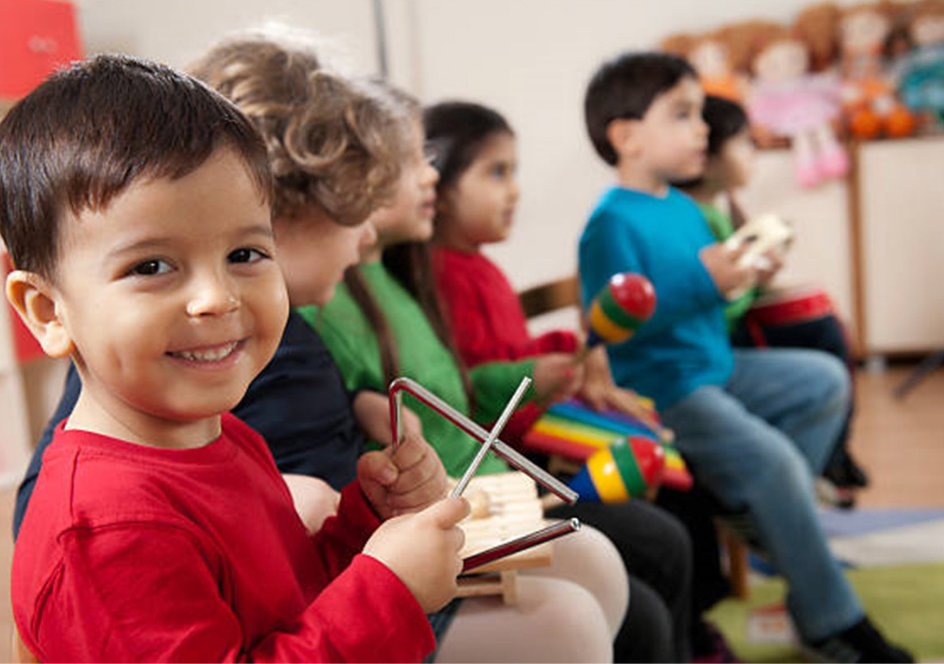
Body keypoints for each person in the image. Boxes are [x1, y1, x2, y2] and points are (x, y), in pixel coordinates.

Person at [13, 33, 620, 663]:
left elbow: (293, 603)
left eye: (244, 253)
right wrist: (388, 590)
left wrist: (368, 526)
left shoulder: (223, 437)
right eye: (151, 266)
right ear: (48, 312)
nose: (217, 298)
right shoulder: (106, 532)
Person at [309, 87, 695, 663]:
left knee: (657, 549)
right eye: (413, 161)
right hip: (466, 501)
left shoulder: (394, 279)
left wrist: (537, 371)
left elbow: (456, 395)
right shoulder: (332, 303)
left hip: (493, 483)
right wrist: (365, 404)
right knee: (645, 592)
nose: (431, 176)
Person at [578, 49, 913, 663]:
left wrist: (746, 274)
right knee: (777, 465)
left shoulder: (683, 208)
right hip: (665, 390)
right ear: (626, 137)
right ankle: (829, 621)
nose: (702, 129)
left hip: (717, 370)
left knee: (824, 380)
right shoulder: (610, 224)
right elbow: (614, 329)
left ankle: (757, 515)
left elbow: (709, 297)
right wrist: (706, 281)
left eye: (699, 114)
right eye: (683, 114)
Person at [425, 98, 742, 663]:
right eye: (497, 173)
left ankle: (692, 631)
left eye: (514, 172)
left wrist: (565, 351)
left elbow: (506, 352)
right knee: (665, 526)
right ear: (440, 187)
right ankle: (687, 638)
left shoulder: (481, 266)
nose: (515, 190)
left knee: (676, 477)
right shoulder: (444, 277)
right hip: (521, 454)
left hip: (533, 435)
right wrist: (540, 371)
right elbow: (473, 385)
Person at [675, 94, 868, 498]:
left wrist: (757, 275)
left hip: (723, 334)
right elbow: (718, 305)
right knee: (823, 330)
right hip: (717, 343)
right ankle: (822, 464)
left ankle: (827, 459)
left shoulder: (717, 207)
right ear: (708, 159)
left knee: (824, 322)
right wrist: (751, 280)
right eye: (743, 143)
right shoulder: (696, 217)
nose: (753, 153)